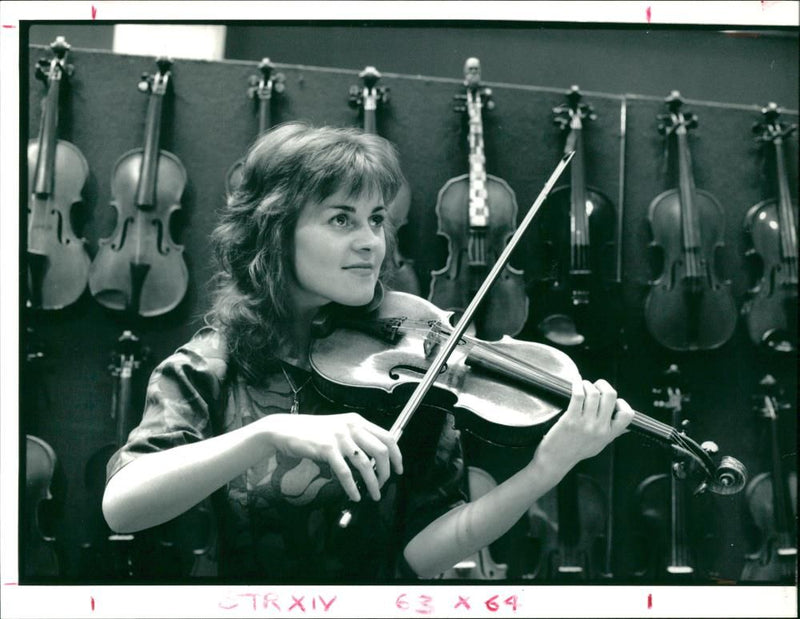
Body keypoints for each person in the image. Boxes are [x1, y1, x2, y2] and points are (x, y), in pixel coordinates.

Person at [102, 121, 634, 582]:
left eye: (376, 219)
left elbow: (423, 554)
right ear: (274, 230)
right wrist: (264, 434)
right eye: (341, 219)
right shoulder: (212, 364)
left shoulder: (408, 369)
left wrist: (545, 470)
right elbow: (122, 507)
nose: (371, 242)